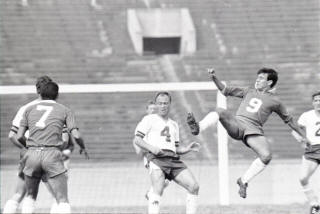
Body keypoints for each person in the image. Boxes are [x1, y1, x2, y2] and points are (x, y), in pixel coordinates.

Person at [187, 68, 307, 198]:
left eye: (261, 78)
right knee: (220, 111)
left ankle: (243, 181)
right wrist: (214, 78)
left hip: (254, 130)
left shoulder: (276, 102)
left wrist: (303, 136)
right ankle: (198, 127)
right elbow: (224, 90)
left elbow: (289, 120)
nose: (258, 79)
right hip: (237, 124)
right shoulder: (248, 91)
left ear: (270, 82)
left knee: (266, 156)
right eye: (258, 77)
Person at [17, 81, 89, 213]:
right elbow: (77, 136)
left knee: (30, 197)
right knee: (62, 199)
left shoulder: (28, 109)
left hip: (32, 154)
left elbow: (19, 136)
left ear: (40, 93)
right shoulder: (65, 110)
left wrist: (32, 147)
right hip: (52, 153)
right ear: (57, 94)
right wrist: (82, 147)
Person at [133, 92, 200, 214]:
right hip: (156, 158)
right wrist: (151, 148)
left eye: (165, 103)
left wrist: (188, 149)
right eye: (160, 103)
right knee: (158, 189)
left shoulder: (174, 124)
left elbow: (176, 148)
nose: (163, 106)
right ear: (156, 105)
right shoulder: (149, 119)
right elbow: (137, 139)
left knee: (194, 186)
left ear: (170, 105)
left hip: (172, 159)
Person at [3, 76, 57, 214]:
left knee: (19, 194)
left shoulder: (26, 108)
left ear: (37, 90)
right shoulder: (57, 109)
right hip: (47, 154)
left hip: (28, 155)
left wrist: (27, 149)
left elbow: (12, 135)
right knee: (58, 197)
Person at [133, 101, 170, 200]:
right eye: (151, 109)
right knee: (160, 181)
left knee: (164, 181)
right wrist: (141, 151)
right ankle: (152, 197)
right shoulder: (143, 123)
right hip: (150, 156)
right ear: (147, 110)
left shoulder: (161, 122)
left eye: (155, 109)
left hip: (162, 156)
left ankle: (151, 193)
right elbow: (136, 140)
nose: (153, 110)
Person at [292, 91, 320, 214]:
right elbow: (295, 131)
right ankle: (315, 205)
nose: (318, 102)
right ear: (312, 103)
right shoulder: (306, 116)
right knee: (303, 178)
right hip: (312, 151)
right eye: (316, 100)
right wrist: (300, 138)